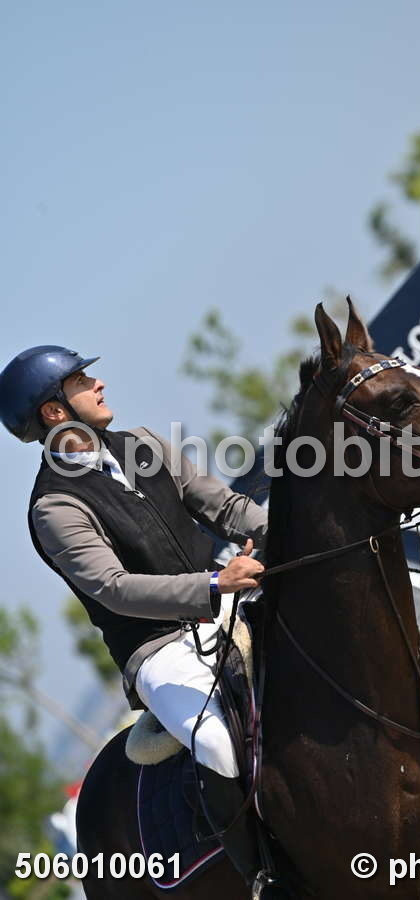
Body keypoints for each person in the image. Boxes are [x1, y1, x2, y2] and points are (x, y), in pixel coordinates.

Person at [0, 345, 287, 898]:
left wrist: (289, 535)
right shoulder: (54, 508)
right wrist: (212, 585)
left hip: (228, 605)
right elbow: (114, 588)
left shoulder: (146, 445)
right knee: (218, 743)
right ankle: (265, 877)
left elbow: (226, 508)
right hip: (159, 649)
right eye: (81, 381)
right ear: (55, 412)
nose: (99, 384)